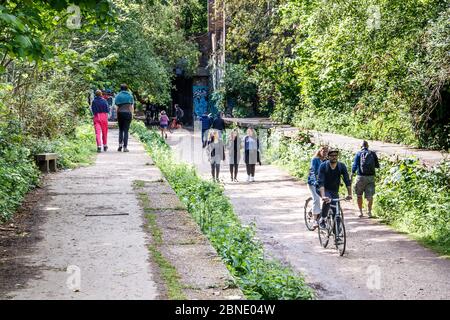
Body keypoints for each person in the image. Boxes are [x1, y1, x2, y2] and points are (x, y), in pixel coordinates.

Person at [317, 149, 352, 229]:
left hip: (334, 190)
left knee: (336, 212)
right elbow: (321, 182)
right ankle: (323, 218)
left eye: (335, 156)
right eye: (332, 156)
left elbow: (347, 181)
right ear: (328, 157)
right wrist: (323, 196)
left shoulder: (341, 166)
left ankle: (337, 233)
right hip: (323, 189)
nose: (334, 157)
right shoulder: (323, 166)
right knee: (328, 200)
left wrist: (350, 194)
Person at [351, 140, 380, 218]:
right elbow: (377, 165)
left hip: (360, 177)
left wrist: (352, 173)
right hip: (370, 177)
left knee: (359, 195)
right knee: (369, 196)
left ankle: (360, 212)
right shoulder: (373, 154)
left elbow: (354, 165)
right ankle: (369, 212)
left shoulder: (358, 153)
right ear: (368, 146)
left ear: (361, 147)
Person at [307, 145, 329, 229]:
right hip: (313, 183)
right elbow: (312, 171)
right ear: (320, 151)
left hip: (322, 184)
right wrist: (314, 181)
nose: (325, 153)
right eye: (323, 151)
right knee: (316, 199)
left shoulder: (327, 161)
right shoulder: (315, 160)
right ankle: (315, 221)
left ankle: (312, 211)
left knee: (327, 198)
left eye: (326, 152)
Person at [114, 84, 134, 152]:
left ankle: (120, 145)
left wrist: (117, 115)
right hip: (128, 113)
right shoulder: (130, 95)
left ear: (121, 88)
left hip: (120, 113)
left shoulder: (118, 95)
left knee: (120, 130)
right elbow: (131, 107)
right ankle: (125, 147)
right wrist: (132, 115)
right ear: (127, 88)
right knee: (126, 131)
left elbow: (116, 107)